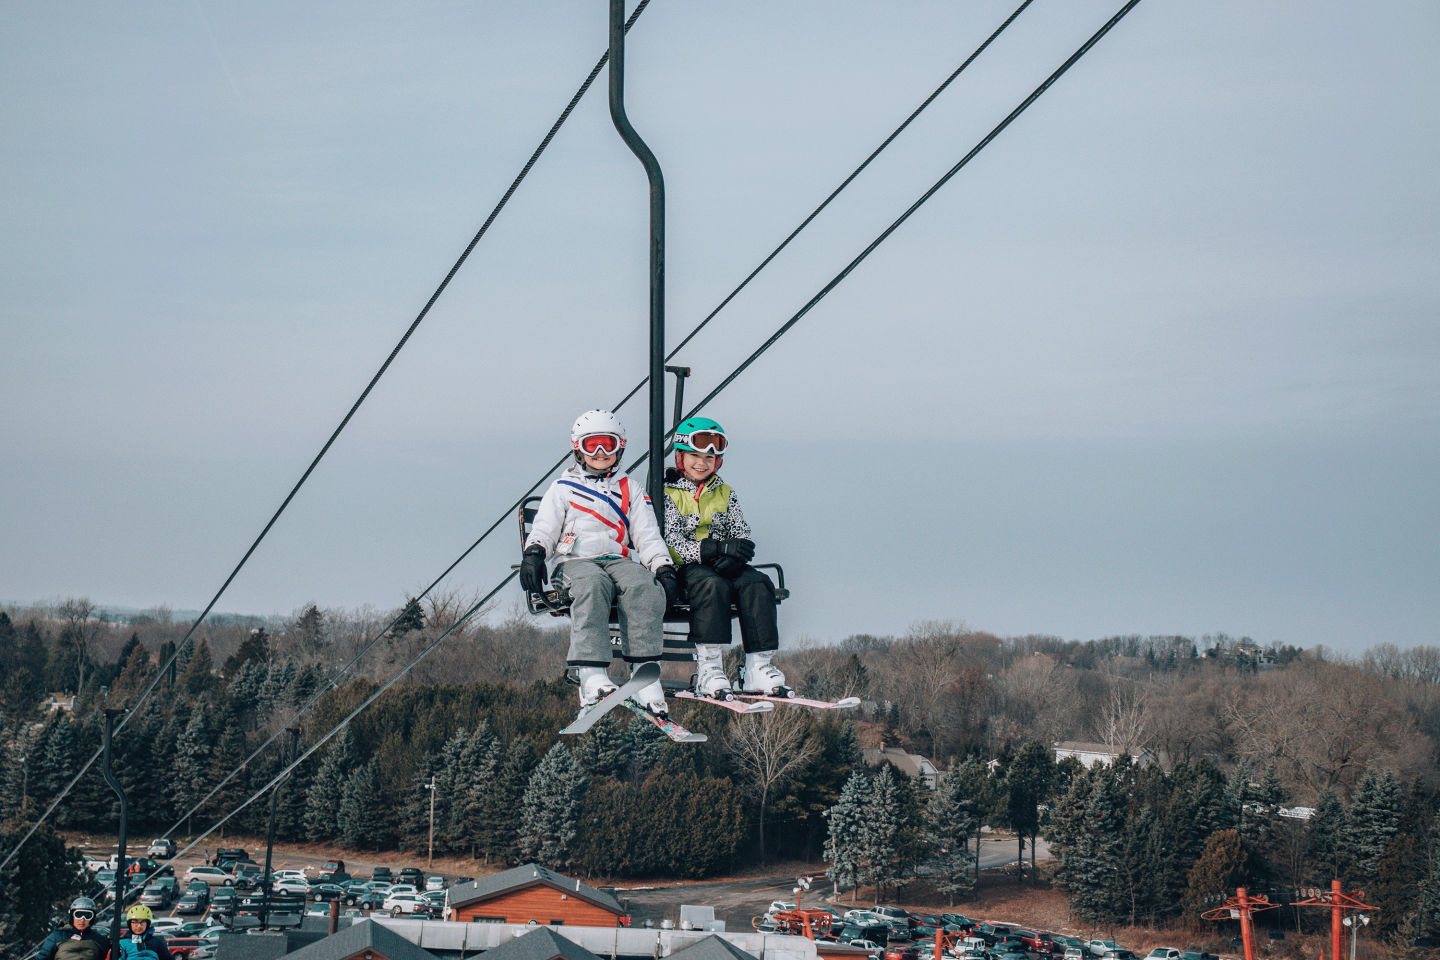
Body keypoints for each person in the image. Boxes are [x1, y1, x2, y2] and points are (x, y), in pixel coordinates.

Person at [521, 410, 679, 715]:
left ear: (619, 447)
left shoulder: (630, 489)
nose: (600, 453)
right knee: (593, 585)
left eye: (607, 444)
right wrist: (535, 553)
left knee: (642, 585)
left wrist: (662, 567)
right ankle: (592, 674)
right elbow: (545, 527)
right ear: (578, 448)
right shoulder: (563, 489)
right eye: (592, 445)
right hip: (576, 562)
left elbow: (646, 535)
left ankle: (645, 675)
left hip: (617, 560)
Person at [661, 417, 786, 696]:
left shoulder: (725, 493)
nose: (702, 463)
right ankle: (709, 666)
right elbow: (669, 542)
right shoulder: (666, 493)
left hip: (723, 562)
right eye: (695, 455)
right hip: (687, 567)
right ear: (680, 456)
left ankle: (758, 666)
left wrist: (736, 555)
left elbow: (741, 531)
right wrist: (711, 550)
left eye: (709, 457)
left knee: (757, 582)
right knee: (711, 585)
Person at [37, 898, 108, 960]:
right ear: (72, 916)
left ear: (92, 918)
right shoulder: (58, 936)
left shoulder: (98, 939)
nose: (82, 920)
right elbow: (43, 957)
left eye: (87, 916)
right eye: (78, 915)